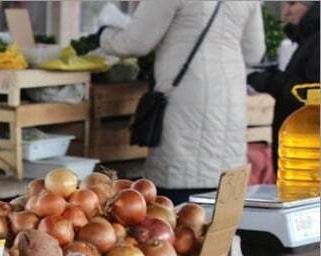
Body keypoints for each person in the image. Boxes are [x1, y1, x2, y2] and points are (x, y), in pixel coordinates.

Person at [98, 1, 266, 204]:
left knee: (178, 204)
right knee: (220, 201)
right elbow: (254, 52)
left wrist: (104, 35)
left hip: (185, 96)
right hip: (230, 97)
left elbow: (135, 43)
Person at [248, 1, 320, 167]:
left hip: (305, 153)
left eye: (292, 3)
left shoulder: (317, 40)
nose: (285, 12)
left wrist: (265, 80)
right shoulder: (308, 40)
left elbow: (307, 91)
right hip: (301, 149)